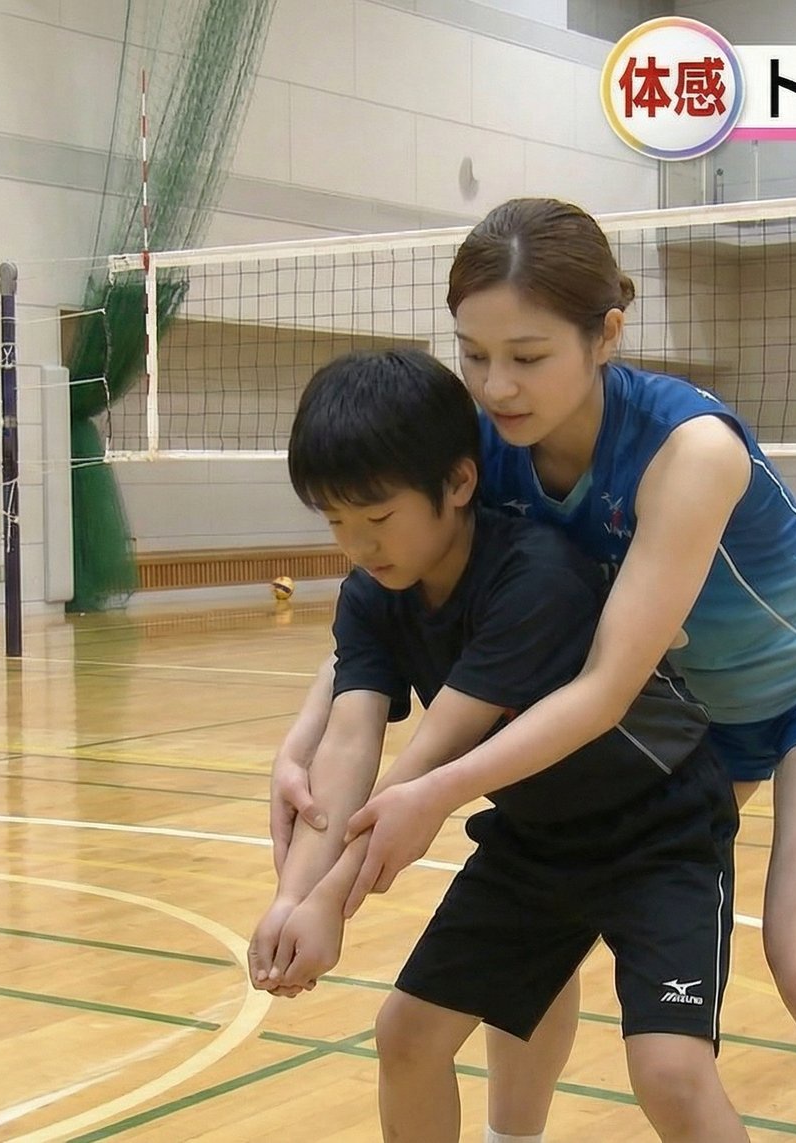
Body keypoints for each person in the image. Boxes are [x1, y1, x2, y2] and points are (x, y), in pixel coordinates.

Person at [270, 199, 796, 1142]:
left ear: (606, 335)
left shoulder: (689, 449)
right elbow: (385, 590)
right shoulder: (483, 445)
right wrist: (302, 738)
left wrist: (433, 792)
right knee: (540, 918)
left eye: (528, 355)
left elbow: (604, 685)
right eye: (474, 354)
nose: (497, 385)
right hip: (693, 710)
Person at [249, 347, 747, 1143]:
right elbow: (348, 742)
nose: (360, 545)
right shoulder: (373, 595)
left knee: (671, 1072)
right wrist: (290, 897)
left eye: (377, 518)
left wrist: (331, 902)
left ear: (458, 482)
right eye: (337, 522)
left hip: (661, 833)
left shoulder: (533, 575)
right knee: (406, 1036)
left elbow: (431, 756)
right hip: (535, 840)